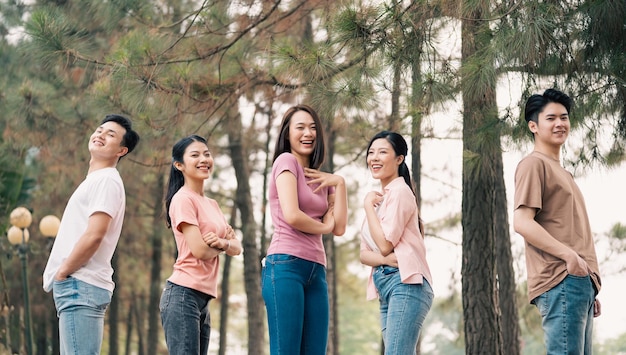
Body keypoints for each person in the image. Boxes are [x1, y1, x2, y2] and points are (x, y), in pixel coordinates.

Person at [42, 114, 140, 354]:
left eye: (111, 135)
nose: (101, 135)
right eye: (99, 130)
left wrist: (64, 272)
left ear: (122, 150)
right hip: (77, 285)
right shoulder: (96, 180)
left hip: (80, 284)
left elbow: (95, 234)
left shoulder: (106, 180)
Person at [513, 88, 601, 354]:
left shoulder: (564, 173)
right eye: (550, 118)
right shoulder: (533, 164)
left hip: (579, 282)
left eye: (564, 117)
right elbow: (522, 222)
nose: (560, 123)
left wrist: (590, 283)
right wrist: (570, 259)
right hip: (560, 277)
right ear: (533, 126)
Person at [261, 104, 348, 355]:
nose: (307, 133)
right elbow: (293, 215)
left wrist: (339, 183)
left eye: (312, 128)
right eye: (300, 127)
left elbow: (340, 227)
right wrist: (324, 226)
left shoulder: (322, 178)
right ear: (287, 134)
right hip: (285, 265)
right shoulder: (285, 161)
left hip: (316, 270)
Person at [159, 134, 242, 355]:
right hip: (183, 294)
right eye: (195, 155)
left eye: (207, 154)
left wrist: (222, 242)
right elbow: (200, 250)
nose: (204, 159)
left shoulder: (212, 204)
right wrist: (224, 245)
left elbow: (237, 247)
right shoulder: (182, 199)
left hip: (202, 299)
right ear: (179, 165)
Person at [359, 131, 433, 355]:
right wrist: (388, 260)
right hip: (386, 285)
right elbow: (364, 255)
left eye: (383, 152)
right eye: (371, 152)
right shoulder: (380, 199)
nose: (374, 158)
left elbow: (384, 245)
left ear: (399, 159)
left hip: (406, 283)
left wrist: (366, 207)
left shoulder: (400, 192)